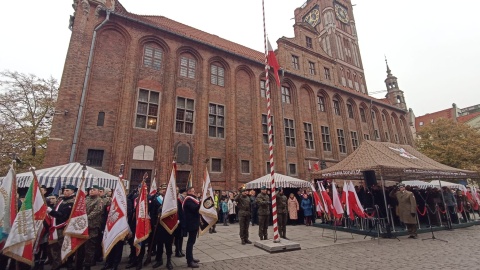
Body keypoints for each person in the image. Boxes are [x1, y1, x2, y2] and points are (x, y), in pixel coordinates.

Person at [47, 184, 76, 270]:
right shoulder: (61, 200)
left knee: (61, 247)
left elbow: (63, 216)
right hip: (56, 227)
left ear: (72, 191)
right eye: (64, 190)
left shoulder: (71, 202)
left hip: (64, 227)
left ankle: (60, 264)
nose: (65, 192)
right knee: (55, 247)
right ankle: (61, 263)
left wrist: (50, 211)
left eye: (67, 190)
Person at [76, 185, 104, 270]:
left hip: (92, 227)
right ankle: (78, 265)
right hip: (81, 227)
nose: (91, 191)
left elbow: (96, 211)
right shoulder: (85, 199)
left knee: (89, 248)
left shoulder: (99, 200)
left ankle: (87, 265)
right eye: (90, 189)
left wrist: (84, 219)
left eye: (94, 190)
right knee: (80, 248)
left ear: (98, 191)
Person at [183, 187, 201, 268]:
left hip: (194, 223)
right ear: (189, 192)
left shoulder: (192, 199)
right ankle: (189, 261)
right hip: (191, 224)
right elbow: (194, 209)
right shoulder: (188, 200)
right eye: (193, 191)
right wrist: (201, 203)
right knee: (190, 243)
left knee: (192, 242)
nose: (194, 192)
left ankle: (191, 257)